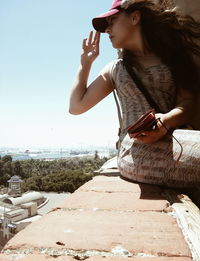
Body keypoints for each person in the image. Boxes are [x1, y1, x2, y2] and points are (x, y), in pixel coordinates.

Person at [69, 0, 200, 187]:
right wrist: (85, 64)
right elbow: (76, 106)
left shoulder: (172, 58)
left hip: (174, 139)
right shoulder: (115, 69)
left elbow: (187, 103)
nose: (107, 30)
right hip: (134, 150)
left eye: (112, 20)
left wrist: (166, 121)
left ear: (135, 17)